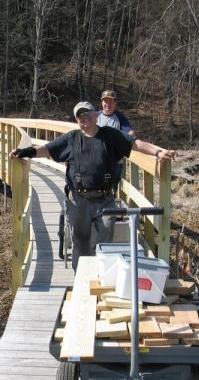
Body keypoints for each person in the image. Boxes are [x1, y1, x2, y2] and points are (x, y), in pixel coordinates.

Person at [11, 101, 175, 271]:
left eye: (87, 113)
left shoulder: (110, 136)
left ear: (96, 115)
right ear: (76, 120)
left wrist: (158, 152)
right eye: (79, 116)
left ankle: (101, 277)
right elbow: (47, 149)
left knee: (105, 244)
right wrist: (26, 152)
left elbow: (135, 144)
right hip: (78, 200)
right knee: (80, 242)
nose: (84, 118)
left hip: (105, 200)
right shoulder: (72, 138)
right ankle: (81, 280)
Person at [97, 90, 135, 192]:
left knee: (111, 191)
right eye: (105, 101)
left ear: (115, 103)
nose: (107, 104)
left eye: (110, 101)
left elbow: (130, 132)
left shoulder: (120, 117)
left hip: (115, 163)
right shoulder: (95, 116)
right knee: (97, 189)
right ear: (102, 102)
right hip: (97, 161)